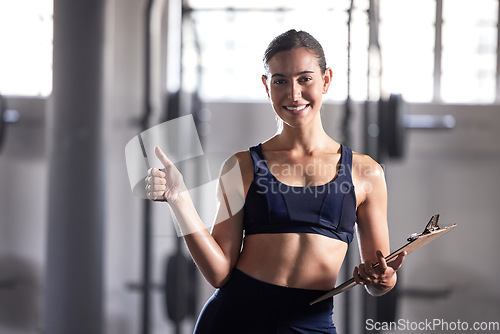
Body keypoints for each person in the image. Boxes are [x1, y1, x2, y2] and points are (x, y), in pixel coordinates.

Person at [145, 29, 405, 334]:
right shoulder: (242, 166)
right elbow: (218, 273)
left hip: (312, 327)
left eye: (305, 79)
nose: (293, 94)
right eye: (280, 81)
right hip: (234, 321)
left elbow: (378, 278)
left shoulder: (366, 173)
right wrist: (180, 200)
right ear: (267, 86)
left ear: (326, 80)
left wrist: (384, 279)